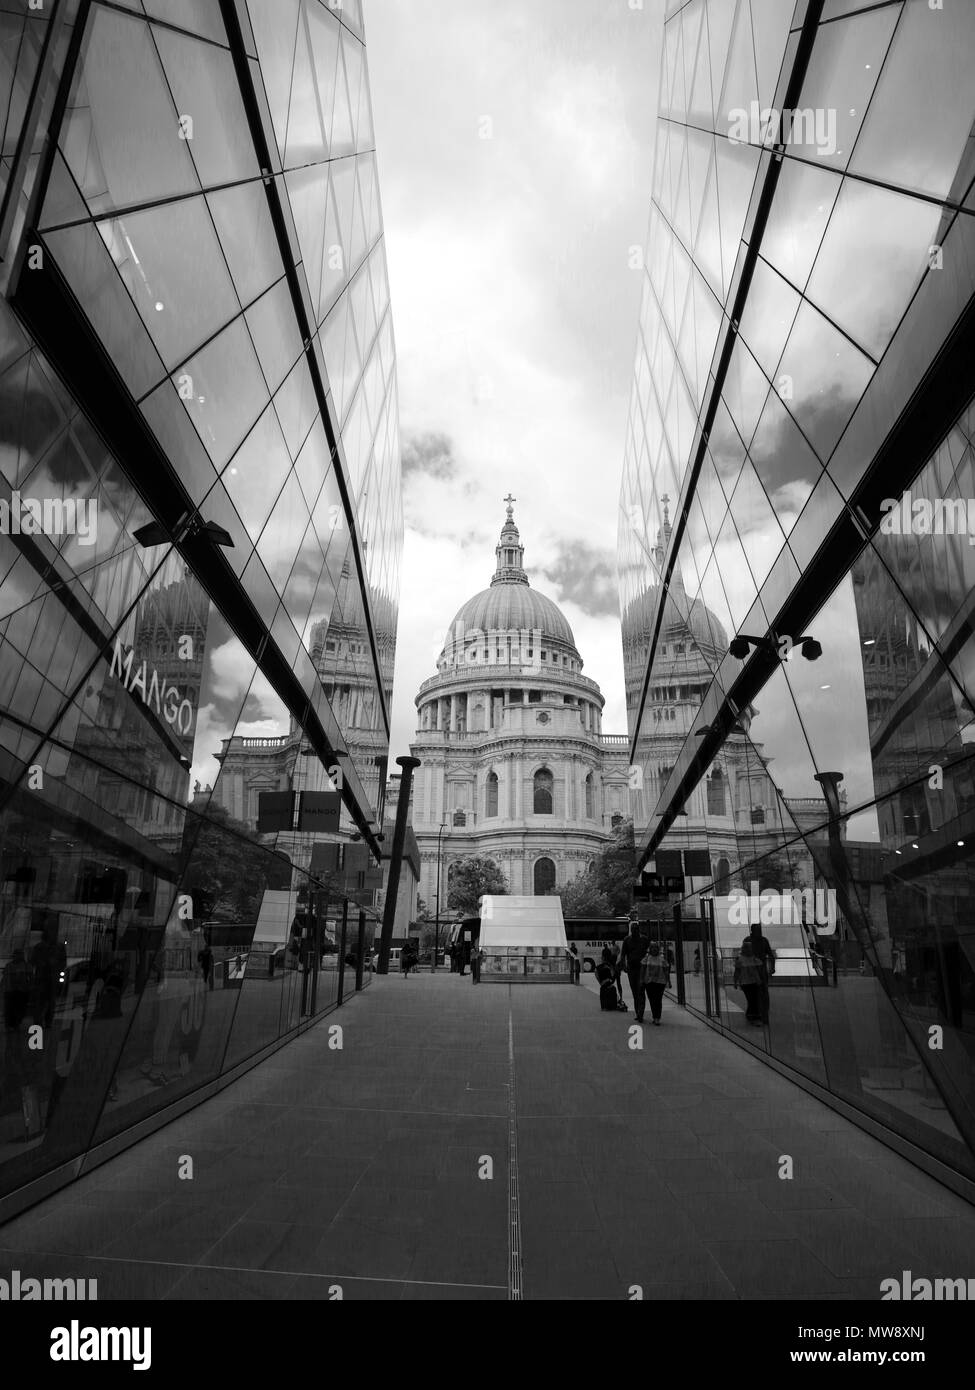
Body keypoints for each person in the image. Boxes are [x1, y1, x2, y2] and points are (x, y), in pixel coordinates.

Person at [619, 920, 650, 1021]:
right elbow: (623, 954)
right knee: (635, 992)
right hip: (631, 969)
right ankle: (638, 1012)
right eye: (632, 929)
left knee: (640, 990)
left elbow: (650, 951)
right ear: (630, 930)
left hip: (642, 969)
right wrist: (623, 965)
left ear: (638, 930)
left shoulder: (644, 939)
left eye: (636, 929)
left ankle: (640, 1014)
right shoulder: (627, 940)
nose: (634, 931)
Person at [733, 939, 765, 1024]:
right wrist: (735, 982)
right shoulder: (741, 959)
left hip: (753, 982)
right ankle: (752, 1016)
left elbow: (759, 970)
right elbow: (737, 971)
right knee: (751, 999)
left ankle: (753, 1015)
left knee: (753, 999)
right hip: (746, 983)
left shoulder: (754, 958)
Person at [642, 942, 669, 1025]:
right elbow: (642, 970)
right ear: (650, 949)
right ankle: (655, 1016)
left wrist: (668, 981)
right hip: (649, 982)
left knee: (658, 1000)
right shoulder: (646, 959)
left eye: (656, 948)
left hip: (660, 983)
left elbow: (666, 970)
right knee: (652, 1000)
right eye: (652, 947)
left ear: (658, 949)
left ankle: (657, 1018)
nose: (654, 949)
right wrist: (641, 980)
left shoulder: (662, 959)